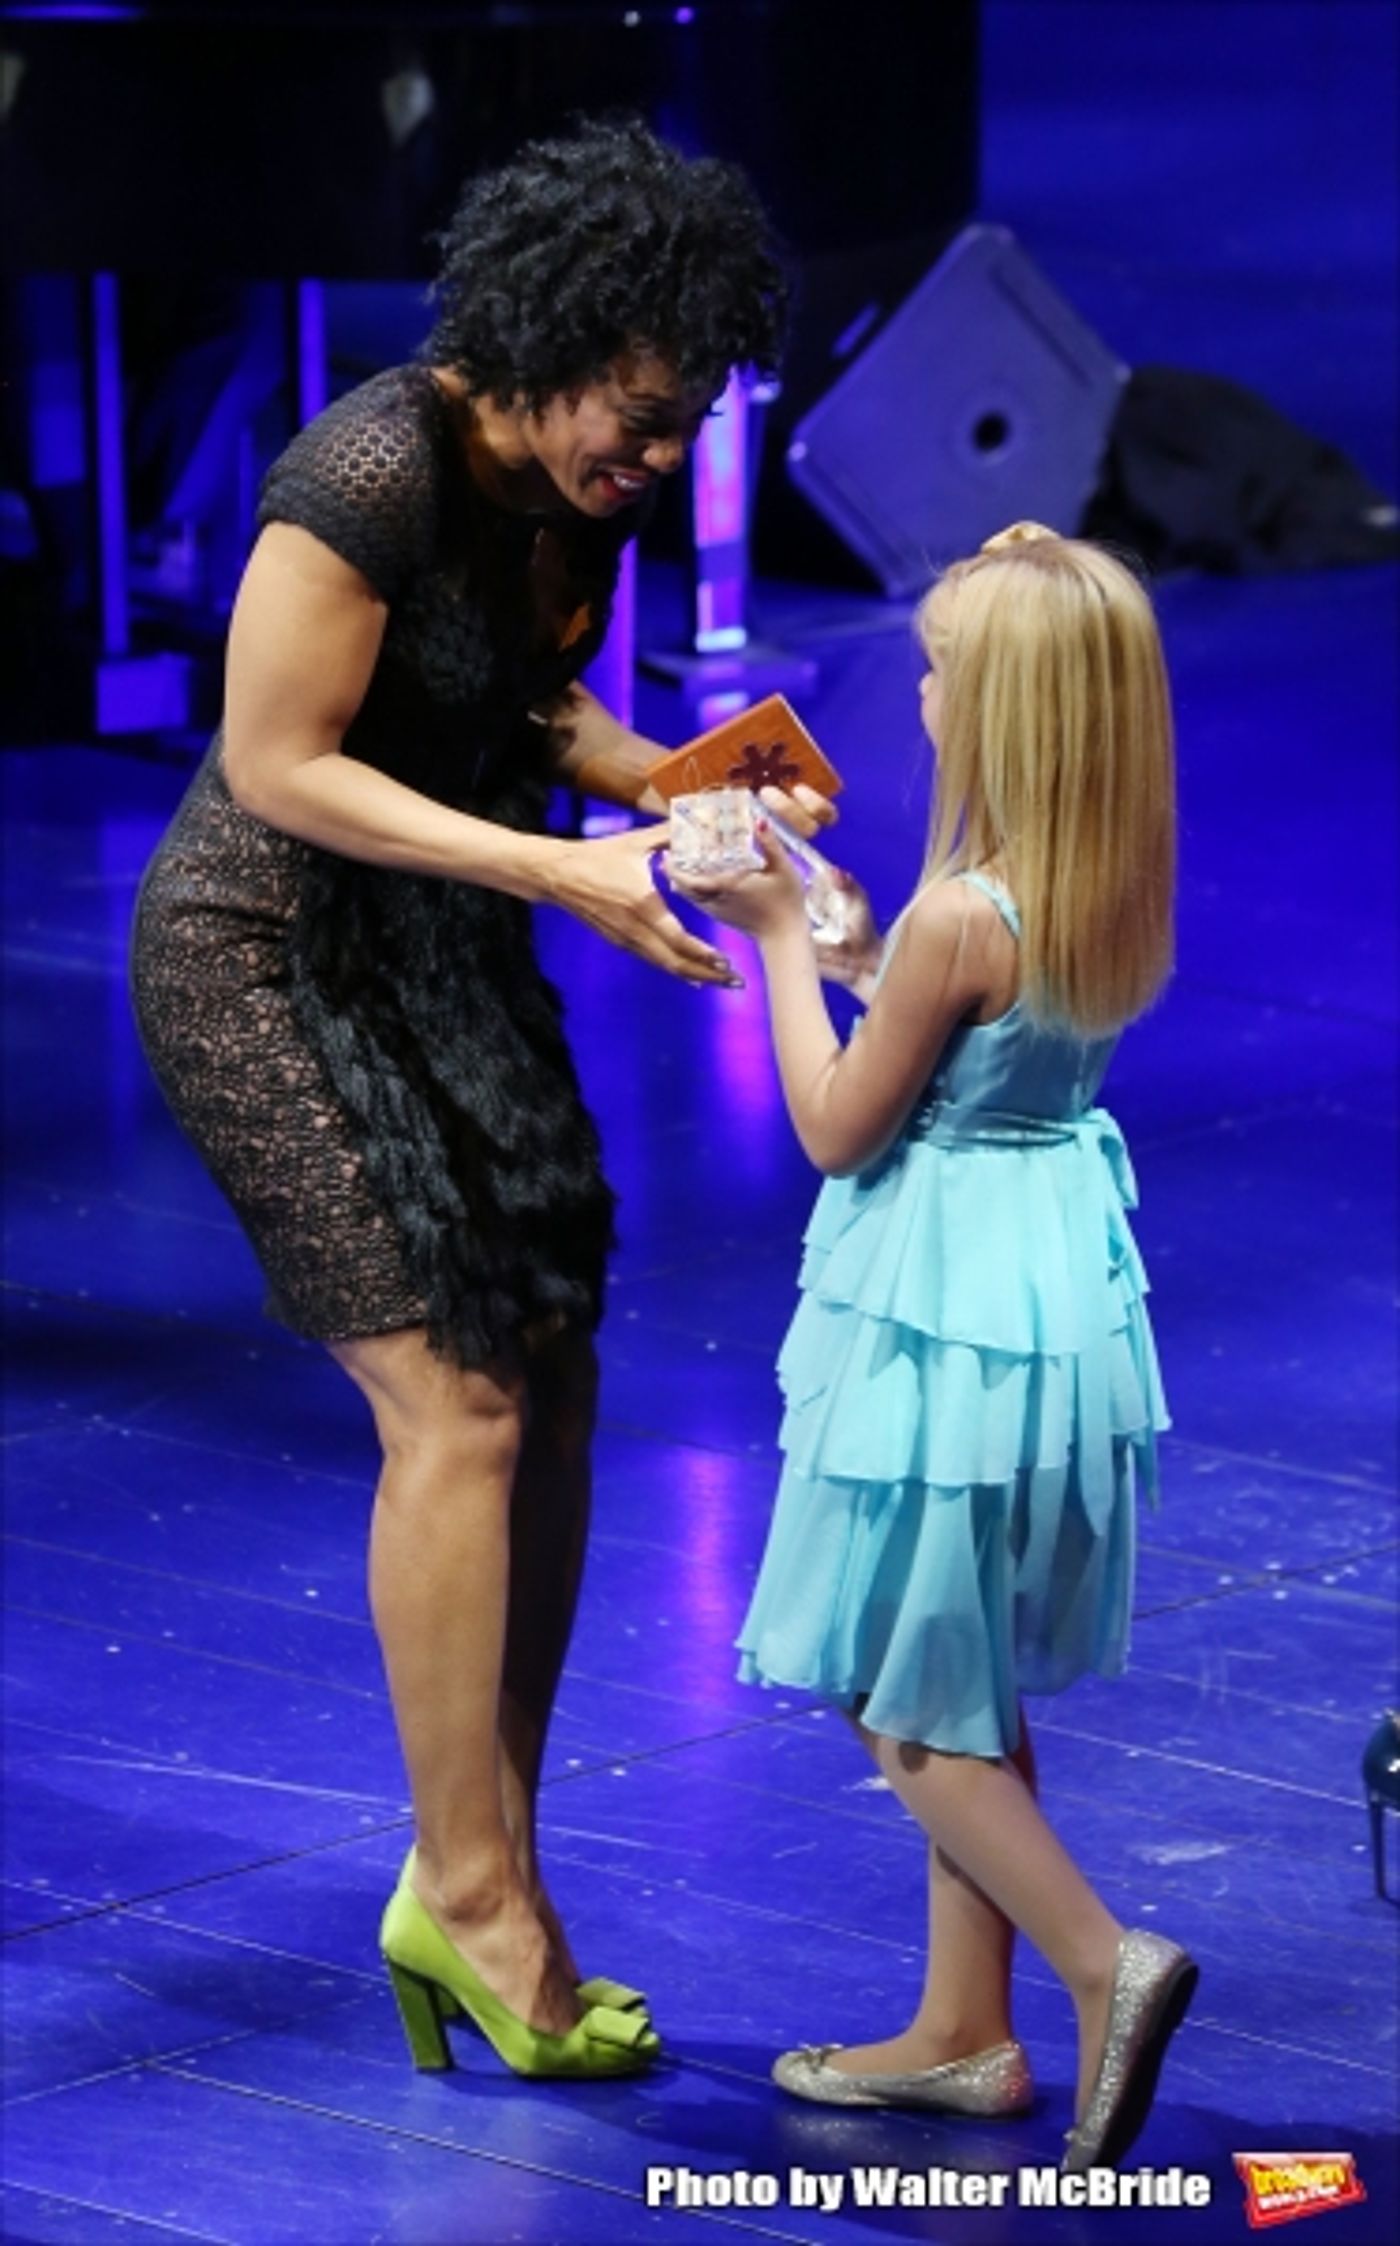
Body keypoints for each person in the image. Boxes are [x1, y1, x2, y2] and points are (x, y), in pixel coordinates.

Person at [130, 118, 789, 2082]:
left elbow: (521, 698)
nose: (657, 461)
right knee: (457, 1400)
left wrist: (674, 784)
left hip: (438, 945)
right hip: (266, 956)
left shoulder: (575, 491)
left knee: (553, 1372)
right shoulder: (368, 473)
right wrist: (556, 870)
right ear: (547, 344)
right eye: (641, 419)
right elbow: (277, 761)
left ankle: (485, 1858)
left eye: (684, 427)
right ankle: (471, 1895)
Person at [670, 522, 1197, 2170]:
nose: (917, 692)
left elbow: (838, 1124)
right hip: (1044, 1294)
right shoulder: (1093, 890)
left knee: (890, 1685)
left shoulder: (963, 913)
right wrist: (857, 948)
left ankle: (1104, 1959)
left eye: (939, 670)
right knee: (955, 1659)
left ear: (1004, 711)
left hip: (939, 1320)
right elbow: (970, 1043)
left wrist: (775, 937)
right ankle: (965, 2030)